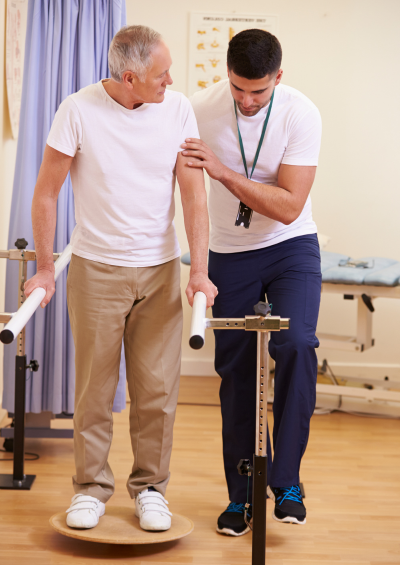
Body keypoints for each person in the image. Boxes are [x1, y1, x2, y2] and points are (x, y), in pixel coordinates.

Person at [24, 25, 217, 532]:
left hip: (157, 270)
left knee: (156, 391)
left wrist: (198, 269)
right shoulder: (78, 110)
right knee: (94, 388)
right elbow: (47, 193)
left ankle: (151, 488)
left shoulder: (176, 110)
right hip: (95, 268)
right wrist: (45, 268)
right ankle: (91, 489)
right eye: (161, 74)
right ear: (129, 77)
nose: (171, 81)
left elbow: (195, 196)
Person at [186, 29, 322, 535]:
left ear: (278, 79)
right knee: (238, 372)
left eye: (258, 91)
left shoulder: (300, 113)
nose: (246, 101)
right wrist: (198, 265)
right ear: (226, 74)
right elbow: (190, 194)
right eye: (238, 88)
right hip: (230, 252)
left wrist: (223, 172)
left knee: (297, 345)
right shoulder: (199, 109)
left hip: (291, 249)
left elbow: (288, 207)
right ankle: (241, 494)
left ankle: (286, 479)